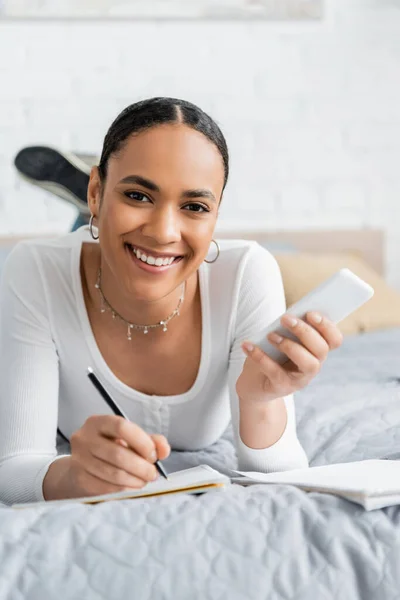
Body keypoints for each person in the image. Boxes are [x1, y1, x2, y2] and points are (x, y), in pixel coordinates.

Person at [0, 97, 343, 505]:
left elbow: (278, 476)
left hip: (112, 230)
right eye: (139, 195)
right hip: (84, 241)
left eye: (195, 206)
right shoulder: (33, 269)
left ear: (216, 217)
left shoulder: (247, 273)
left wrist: (260, 399)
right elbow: (15, 467)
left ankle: (103, 209)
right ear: (98, 190)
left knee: (124, 242)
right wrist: (74, 476)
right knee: (112, 242)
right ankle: (93, 212)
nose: (164, 231)